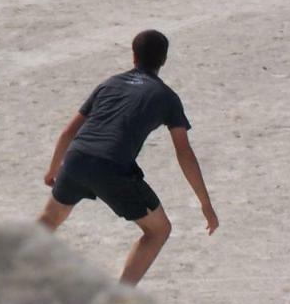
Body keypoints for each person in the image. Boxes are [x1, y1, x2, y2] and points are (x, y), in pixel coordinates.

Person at [36, 29, 218, 286]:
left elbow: (69, 131)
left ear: (134, 56)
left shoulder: (109, 83)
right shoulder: (167, 97)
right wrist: (205, 202)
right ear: (164, 60)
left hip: (76, 156)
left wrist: (53, 169)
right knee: (158, 230)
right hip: (111, 166)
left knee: (50, 218)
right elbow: (184, 152)